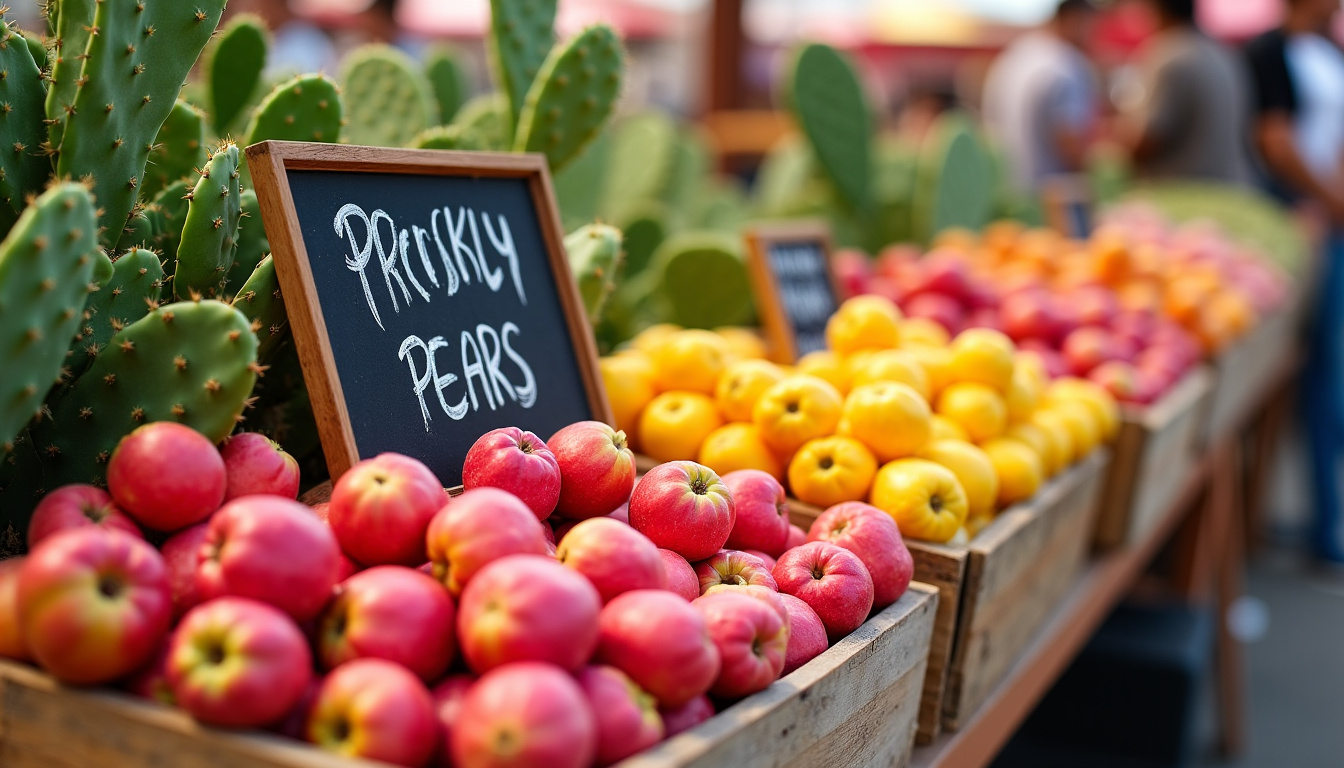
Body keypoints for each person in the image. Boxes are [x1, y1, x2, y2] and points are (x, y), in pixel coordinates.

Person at [1245, 0, 1344, 564]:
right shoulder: (1268, 51)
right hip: (1296, 228)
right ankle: (1305, 527)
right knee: (1301, 374)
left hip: (1326, 224)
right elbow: (1275, 140)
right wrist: (1328, 201)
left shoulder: (1329, 52)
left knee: (1324, 377)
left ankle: (1322, 524)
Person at [1118, 0, 1254, 185]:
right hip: (1232, 191)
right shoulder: (1224, 54)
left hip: (1185, 197)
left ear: (1157, 11)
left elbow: (1148, 138)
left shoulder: (1170, 56)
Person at [982, 0, 1100, 193]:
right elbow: (1069, 140)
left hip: (1005, 194)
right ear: (1074, 20)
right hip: (1051, 201)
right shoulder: (1066, 63)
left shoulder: (1014, 55)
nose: (1092, 36)